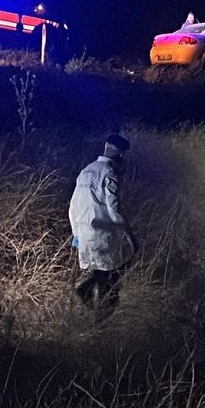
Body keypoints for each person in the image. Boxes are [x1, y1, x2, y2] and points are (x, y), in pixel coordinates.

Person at [68, 135, 136, 324]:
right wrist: (129, 235)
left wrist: (76, 234)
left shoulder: (86, 171)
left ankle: (96, 314)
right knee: (111, 280)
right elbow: (114, 210)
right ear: (121, 154)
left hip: (85, 233)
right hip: (103, 235)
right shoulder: (109, 173)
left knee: (100, 275)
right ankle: (101, 319)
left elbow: (73, 206)